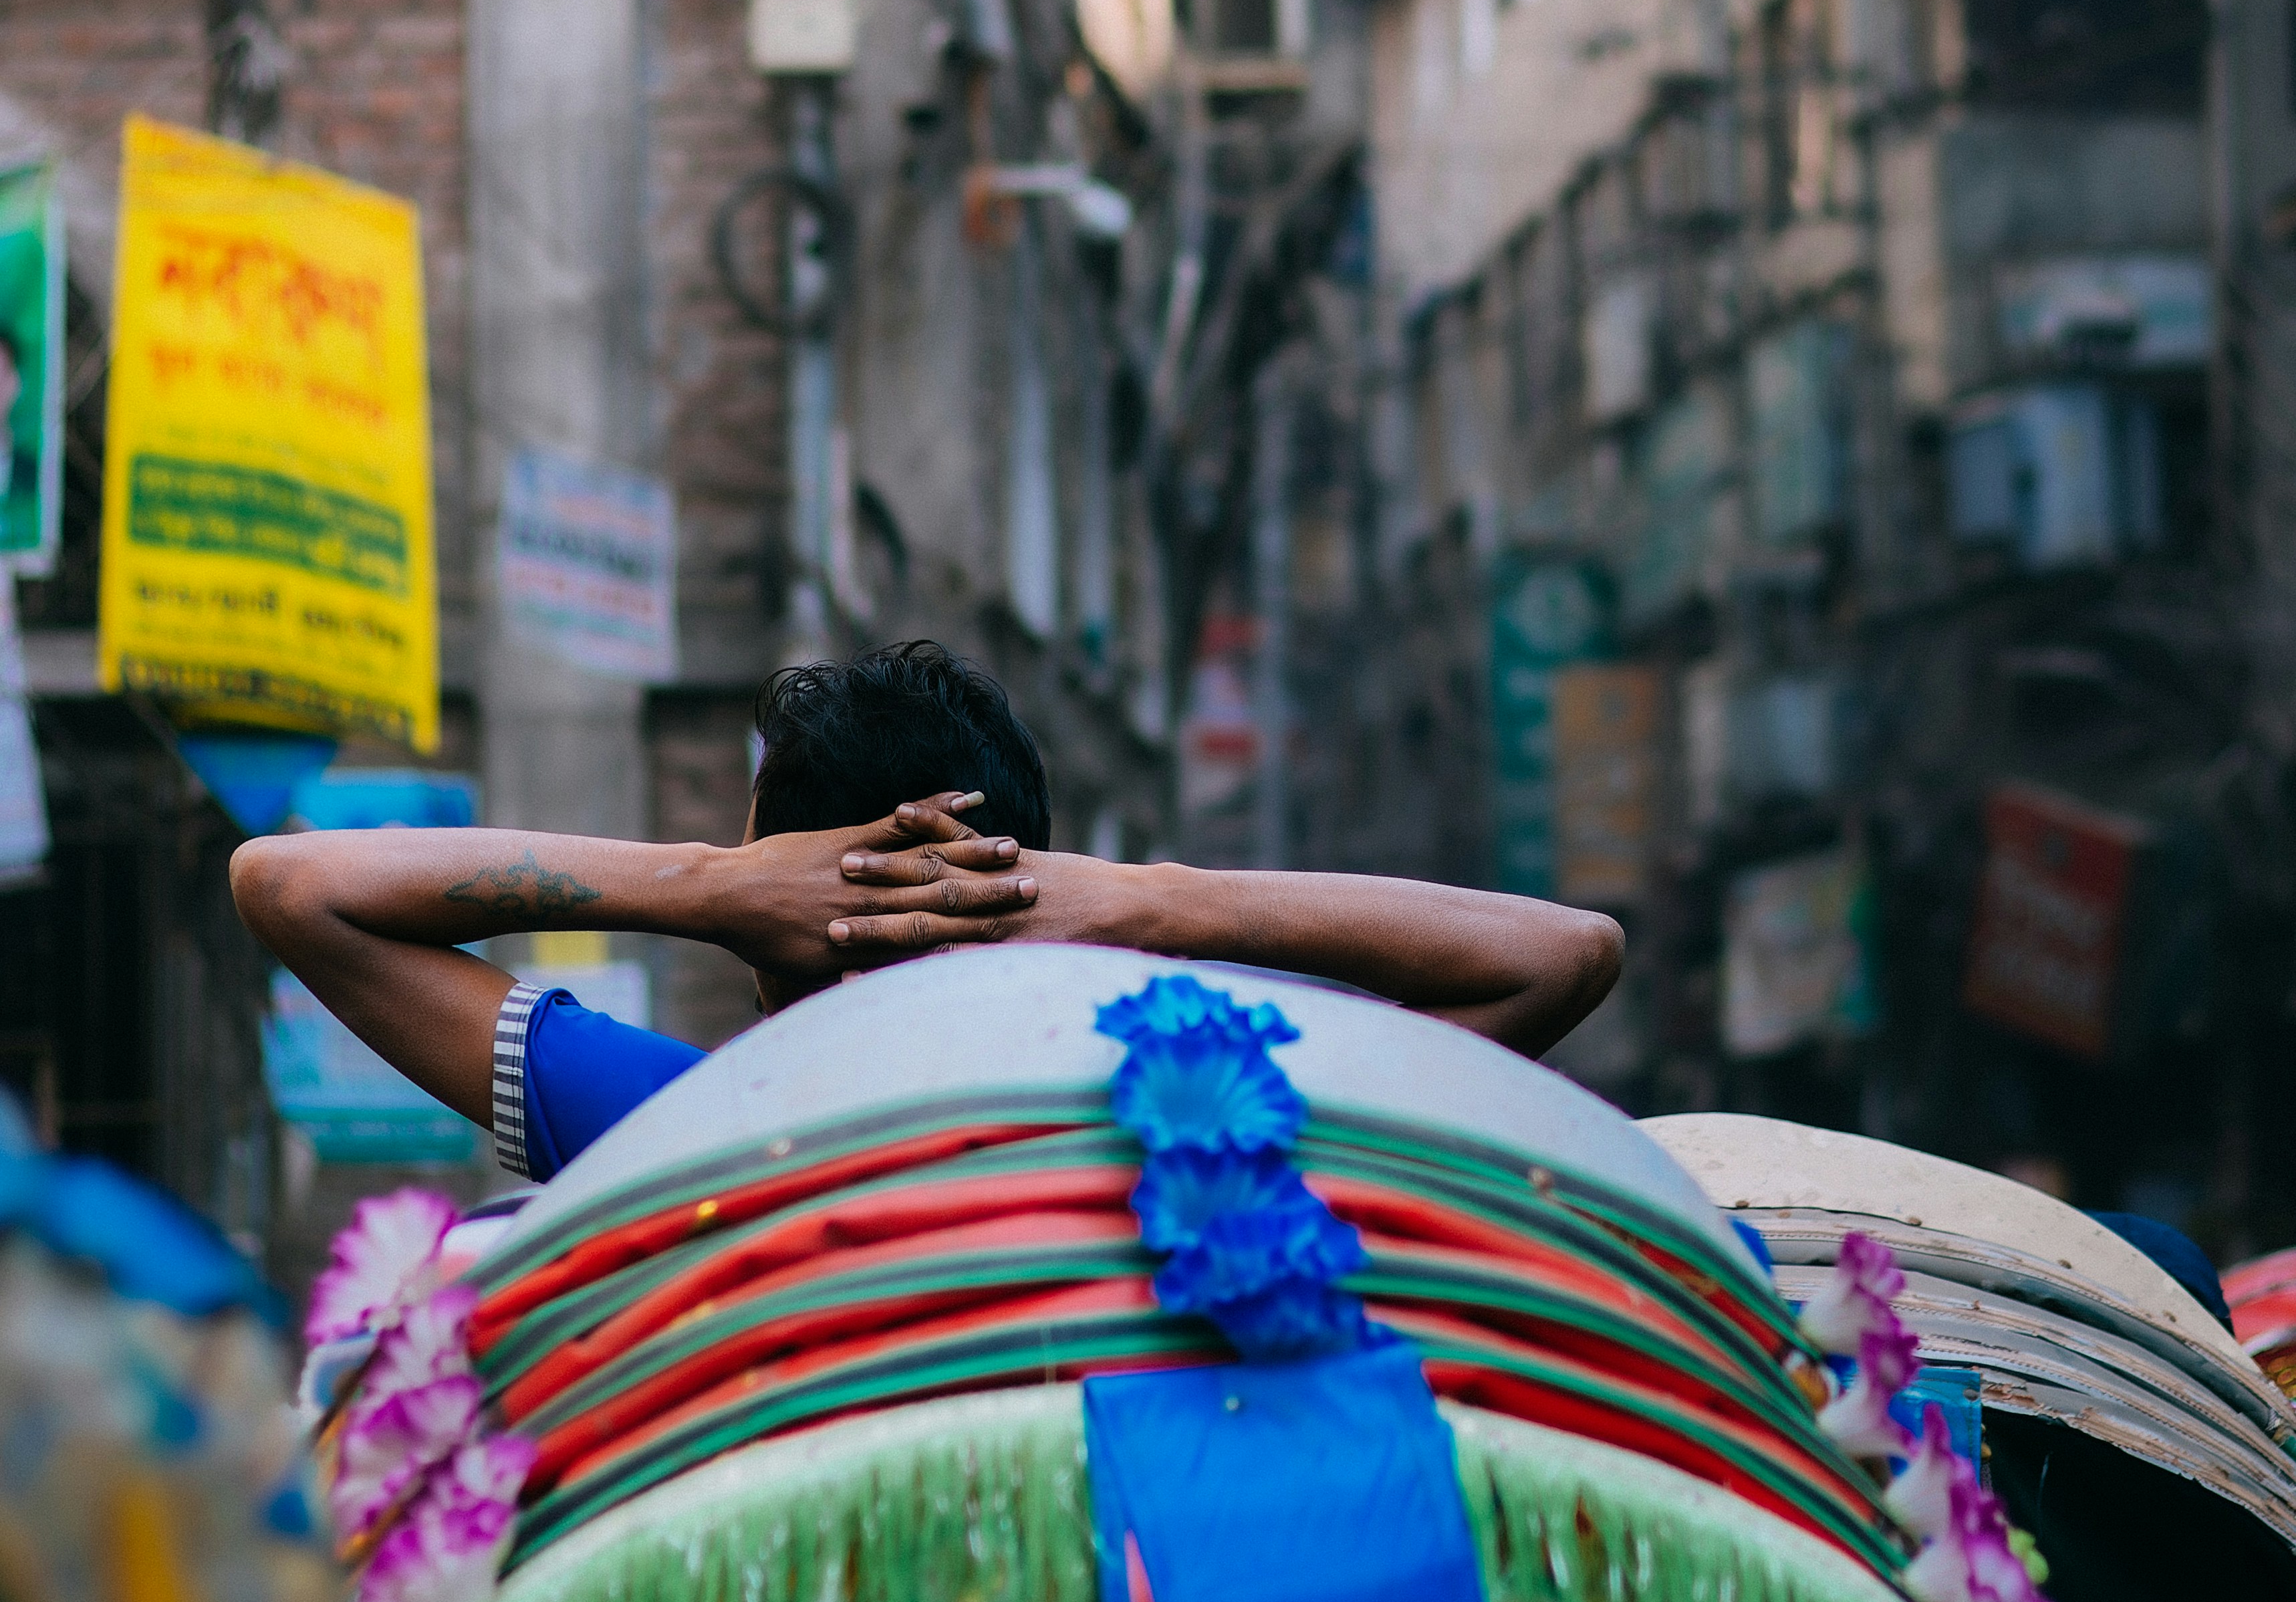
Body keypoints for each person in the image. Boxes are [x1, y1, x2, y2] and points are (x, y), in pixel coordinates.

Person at [232, 639, 1624, 1184]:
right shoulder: (1198, 1119)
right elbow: (1559, 956)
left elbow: (291, 884)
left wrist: (718, 891)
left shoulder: (691, 1131)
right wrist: (1148, 904)